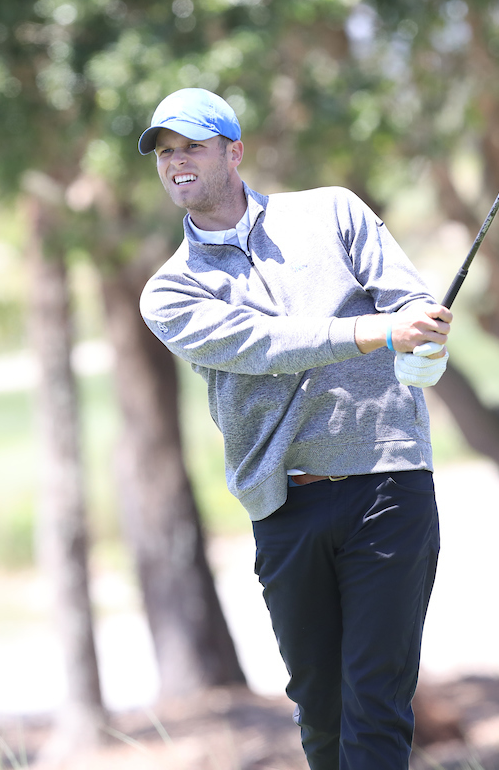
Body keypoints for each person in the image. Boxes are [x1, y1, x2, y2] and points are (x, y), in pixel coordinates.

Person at [137, 88, 452, 770]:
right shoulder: (169, 290)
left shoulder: (331, 211)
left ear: (235, 152)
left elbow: (408, 299)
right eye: (165, 152)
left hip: (387, 483)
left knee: (376, 703)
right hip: (287, 505)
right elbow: (262, 345)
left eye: (192, 145)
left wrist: (424, 335)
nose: (176, 162)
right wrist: (378, 332)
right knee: (321, 709)